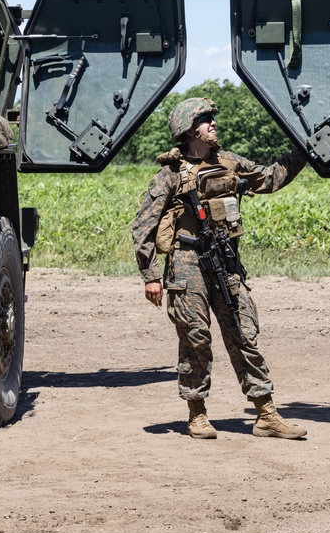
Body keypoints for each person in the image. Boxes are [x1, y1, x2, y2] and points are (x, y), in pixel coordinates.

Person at [132, 97, 308, 440]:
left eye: (213, 117)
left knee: (244, 333)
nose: (213, 123)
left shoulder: (230, 163)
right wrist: (151, 276)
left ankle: (266, 414)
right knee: (195, 337)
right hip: (185, 262)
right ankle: (196, 413)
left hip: (224, 260)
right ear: (188, 128)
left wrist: (303, 151)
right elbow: (142, 228)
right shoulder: (170, 175)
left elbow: (270, 179)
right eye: (205, 119)